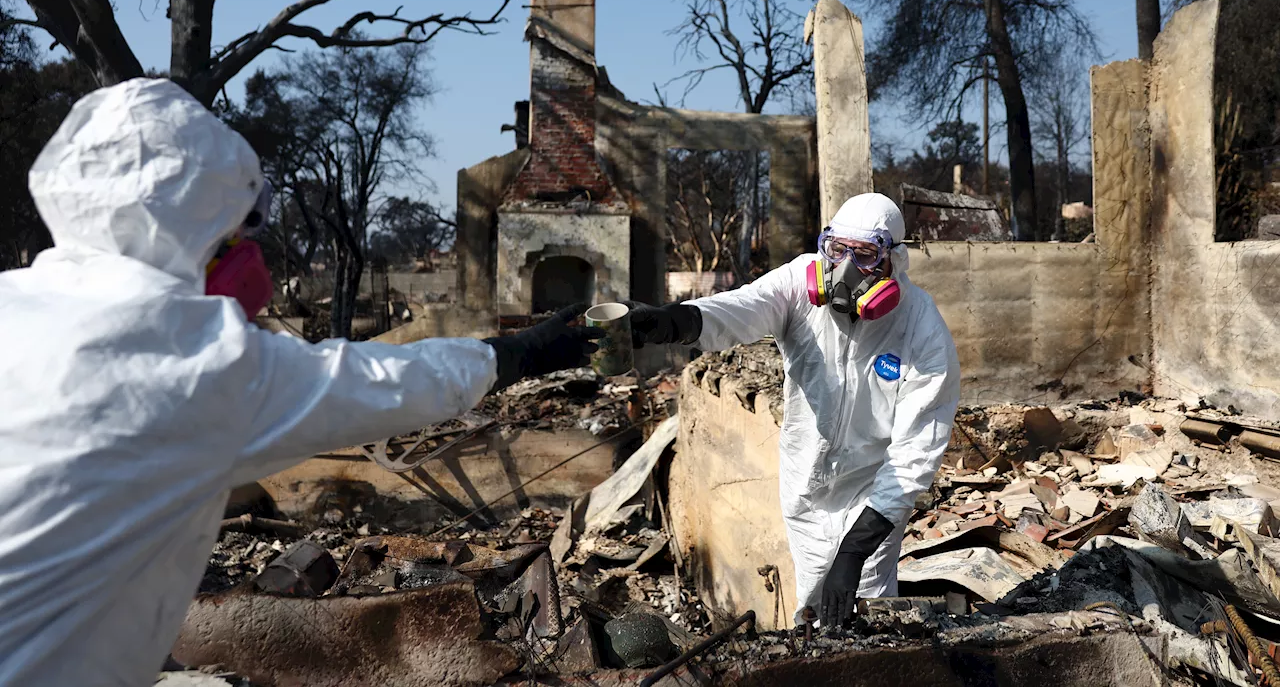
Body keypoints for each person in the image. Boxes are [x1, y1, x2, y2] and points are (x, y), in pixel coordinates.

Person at [0, 78, 602, 685]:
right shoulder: (196, 361)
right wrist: (521, 351)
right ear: (204, 224)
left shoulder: (12, 303)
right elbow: (385, 382)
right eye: (238, 230)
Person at [631, 192, 960, 628]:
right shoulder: (798, 286)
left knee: (869, 615)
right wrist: (676, 321)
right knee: (811, 611)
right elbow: (741, 309)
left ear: (893, 259)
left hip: (872, 493)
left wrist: (857, 547)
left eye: (864, 255)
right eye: (837, 250)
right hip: (805, 485)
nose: (844, 269)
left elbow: (915, 450)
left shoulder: (921, 327)